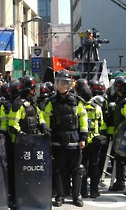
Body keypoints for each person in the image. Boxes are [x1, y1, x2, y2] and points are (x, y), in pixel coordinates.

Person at [42, 72, 86, 207]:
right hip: (57, 139)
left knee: (77, 169)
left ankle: (76, 195)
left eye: (65, 83)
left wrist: (83, 137)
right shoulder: (51, 102)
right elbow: (46, 118)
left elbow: (83, 119)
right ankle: (60, 195)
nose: (63, 86)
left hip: (74, 138)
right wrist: (47, 133)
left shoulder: (77, 101)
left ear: (69, 85)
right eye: (60, 83)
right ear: (56, 84)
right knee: (60, 169)